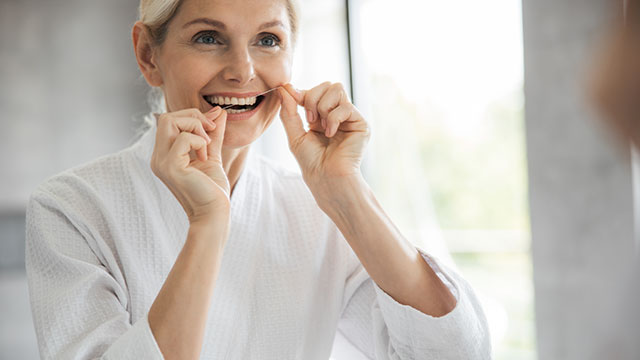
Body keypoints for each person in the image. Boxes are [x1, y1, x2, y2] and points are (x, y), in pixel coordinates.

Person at [24, 0, 491, 359]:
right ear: (149, 56)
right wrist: (208, 223)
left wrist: (345, 191)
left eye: (268, 40)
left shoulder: (316, 208)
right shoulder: (72, 209)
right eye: (208, 37)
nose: (242, 71)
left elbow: (456, 350)